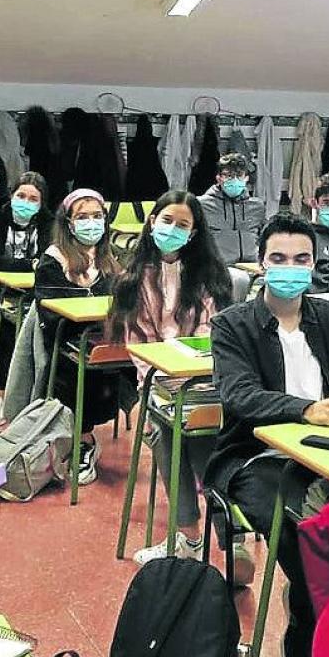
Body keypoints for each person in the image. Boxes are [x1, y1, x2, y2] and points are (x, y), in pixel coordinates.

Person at [210, 213, 329, 657]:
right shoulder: (232, 325)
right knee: (300, 527)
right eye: (279, 258)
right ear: (261, 263)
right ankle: (309, 611)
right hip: (255, 456)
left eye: (301, 259)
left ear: (313, 264)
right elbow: (240, 395)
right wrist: (304, 409)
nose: (290, 267)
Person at [106, 191, 236, 565]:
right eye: (167, 221)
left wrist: (192, 371)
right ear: (152, 222)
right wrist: (160, 381)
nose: (173, 230)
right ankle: (192, 537)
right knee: (164, 428)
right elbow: (139, 344)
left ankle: (230, 537)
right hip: (158, 382)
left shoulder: (209, 276)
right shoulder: (133, 280)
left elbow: (213, 332)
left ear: (193, 233)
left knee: (200, 431)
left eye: (183, 225)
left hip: (205, 379)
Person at [34, 188, 123, 486]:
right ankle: (81, 439)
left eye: (97, 216)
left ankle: (93, 436)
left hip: (106, 340)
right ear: (68, 223)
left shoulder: (109, 259)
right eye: (82, 217)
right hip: (67, 341)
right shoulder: (53, 260)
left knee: (128, 361)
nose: (91, 223)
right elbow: (52, 315)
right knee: (76, 368)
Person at [0, 171, 55, 426]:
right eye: (21, 196)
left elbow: (47, 263)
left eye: (33, 199)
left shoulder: (48, 222)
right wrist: (31, 264)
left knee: (40, 324)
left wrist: (29, 265)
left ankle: (37, 398)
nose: (25, 202)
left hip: (34, 292)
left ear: (41, 204)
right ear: (11, 196)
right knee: (6, 321)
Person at [197, 152, 266, 266]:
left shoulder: (257, 206)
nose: (234, 180)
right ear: (219, 178)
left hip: (252, 266)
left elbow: (265, 238)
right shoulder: (201, 204)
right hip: (217, 267)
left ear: (246, 178)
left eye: (239, 175)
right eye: (229, 176)